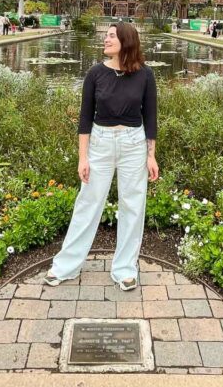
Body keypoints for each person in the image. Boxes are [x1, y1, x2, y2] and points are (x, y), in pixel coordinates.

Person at [46, 23, 159, 291]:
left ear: (126, 40)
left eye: (111, 35)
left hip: (134, 145)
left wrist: (151, 155)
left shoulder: (145, 75)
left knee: (133, 206)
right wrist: (82, 158)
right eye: (106, 35)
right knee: (88, 203)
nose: (105, 39)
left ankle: (124, 269)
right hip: (100, 143)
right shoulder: (95, 74)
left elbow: (151, 118)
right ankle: (66, 266)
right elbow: (85, 119)